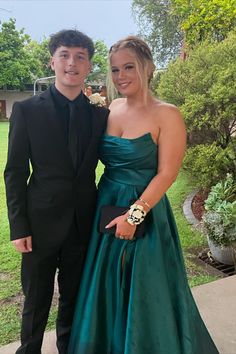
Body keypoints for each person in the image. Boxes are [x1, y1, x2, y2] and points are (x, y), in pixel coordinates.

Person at [68, 36, 219, 354]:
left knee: (144, 289)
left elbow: (167, 174)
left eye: (129, 67)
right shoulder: (113, 107)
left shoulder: (168, 114)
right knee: (105, 283)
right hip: (106, 205)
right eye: (114, 69)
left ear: (148, 68)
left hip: (145, 211)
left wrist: (135, 215)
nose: (121, 75)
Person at [4, 29, 109, 354]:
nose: (72, 63)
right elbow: (16, 172)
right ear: (53, 61)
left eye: (80, 57)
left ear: (89, 66)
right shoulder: (27, 111)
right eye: (65, 55)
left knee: (74, 300)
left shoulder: (100, 116)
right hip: (39, 225)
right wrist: (19, 226)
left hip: (82, 225)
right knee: (35, 301)